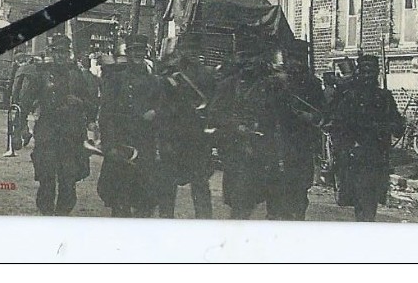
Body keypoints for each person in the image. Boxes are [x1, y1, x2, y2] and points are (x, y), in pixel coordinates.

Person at [208, 41, 324, 220]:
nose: (248, 63)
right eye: (243, 58)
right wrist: (236, 126)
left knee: (279, 205)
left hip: (271, 153)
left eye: (252, 58)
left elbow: (283, 114)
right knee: (241, 205)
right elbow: (216, 114)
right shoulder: (229, 85)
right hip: (242, 153)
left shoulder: (273, 85)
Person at [327, 54, 403, 222]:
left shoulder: (384, 98)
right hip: (357, 160)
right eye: (365, 72)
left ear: (377, 74)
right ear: (359, 73)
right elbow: (337, 127)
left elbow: (398, 127)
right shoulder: (350, 98)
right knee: (363, 205)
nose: (368, 76)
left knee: (370, 206)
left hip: (377, 159)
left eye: (372, 72)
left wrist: (389, 126)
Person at [29, 35, 96, 216]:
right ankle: (47, 213)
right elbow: (28, 99)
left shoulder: (78, 76)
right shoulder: (42, 74)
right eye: (57, 52)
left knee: (68, 180)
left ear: (69, 54)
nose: (60, 57)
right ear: (51, 52)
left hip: (71, 135)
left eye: (64, 53)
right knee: (47, 178)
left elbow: (92, 104)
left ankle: (62, 215)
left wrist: (79, 102)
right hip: (48, 134)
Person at [96, 34, 162, 218]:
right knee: (120, 195)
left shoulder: (154, 81)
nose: (138, 54)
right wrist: (109, 146)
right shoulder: (116, 79)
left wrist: (155, 112)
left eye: (141, 51)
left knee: (145, 195)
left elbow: (163, 108)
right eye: (134, 51)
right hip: (122, 141)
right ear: (128, 53)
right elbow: (106, 114)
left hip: (145, 143)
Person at [154, 49, 215, 219]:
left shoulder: (196, 74)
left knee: (195, 185)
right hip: (182, 137)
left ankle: (198, 220)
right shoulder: (175, 74)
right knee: (191, 185)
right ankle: (202, 220)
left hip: (186, 138)